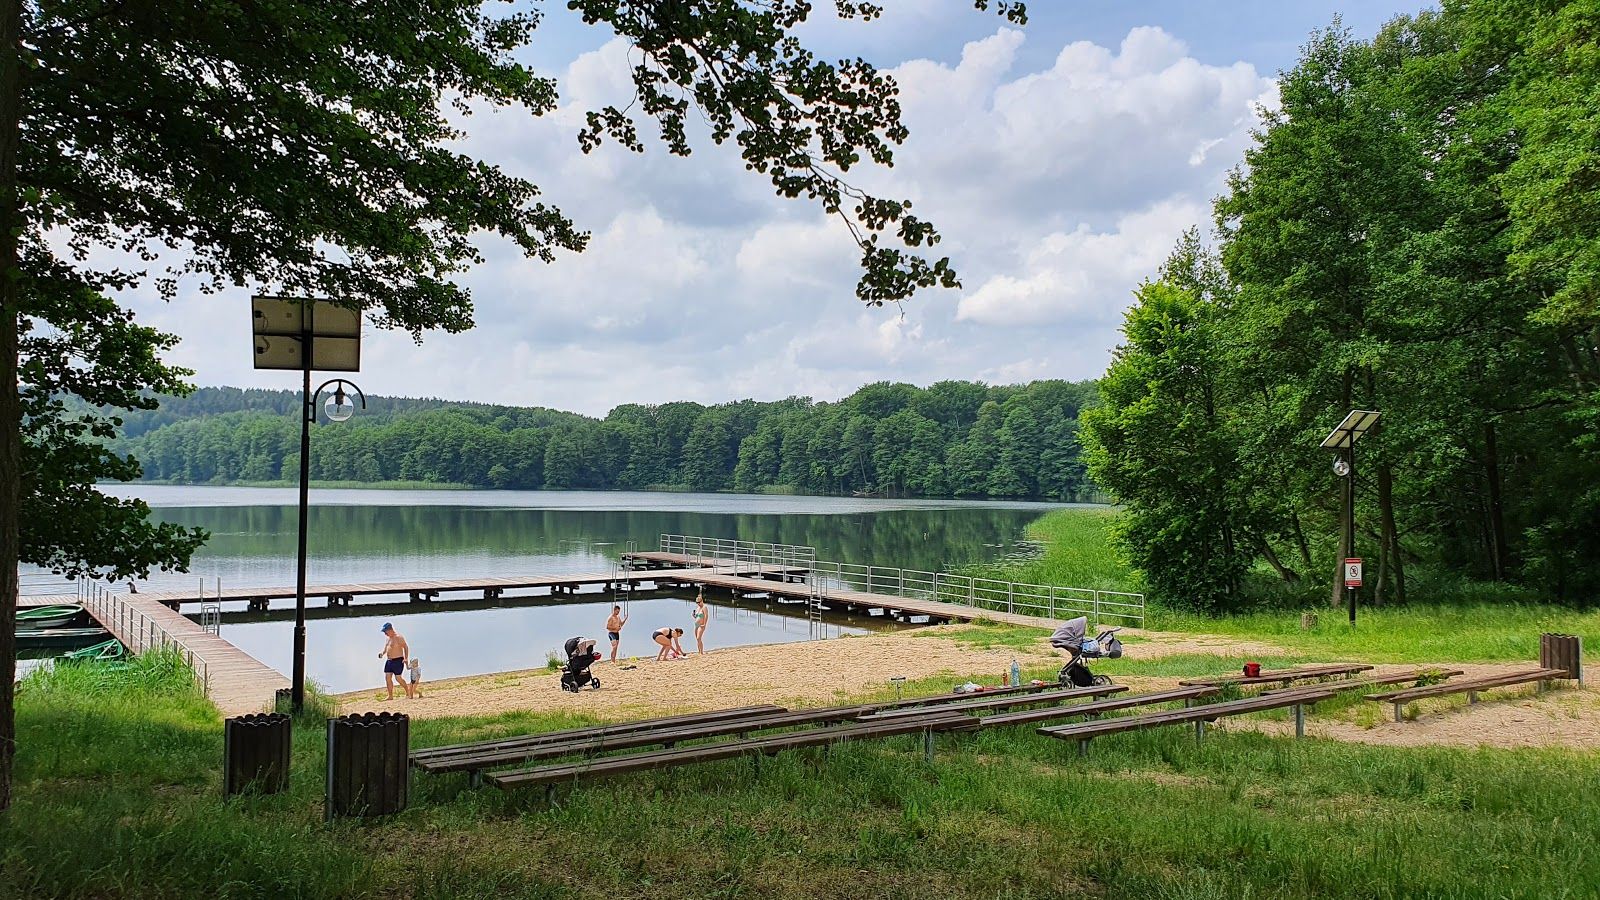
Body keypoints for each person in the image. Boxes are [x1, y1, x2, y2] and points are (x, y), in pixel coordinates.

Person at [378, 622, 411, 700]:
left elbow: (405, 647)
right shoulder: (387, 638)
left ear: (390, 630)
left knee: (398, 678)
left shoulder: (399, 637)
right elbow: (386, 649)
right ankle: (390, 696)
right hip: (389, 661)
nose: (385, 634)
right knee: (387, 677)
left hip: (398, 660)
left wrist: (406, 658)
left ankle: (407, 691)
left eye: (385, 632)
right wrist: (382, 653)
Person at [692, 590, 709, 655]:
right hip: (697, 624)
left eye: (699, 602)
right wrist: (694, 615)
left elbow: (706, 616)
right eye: (697, 602)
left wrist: (704, 624)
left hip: (702, 624)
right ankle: (699, 651)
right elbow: (697, 617)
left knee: (699, 638)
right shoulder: (697, 608)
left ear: (702, 601)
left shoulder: (704, 607)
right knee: (697, 639)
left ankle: (701, 652)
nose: (698, 603)